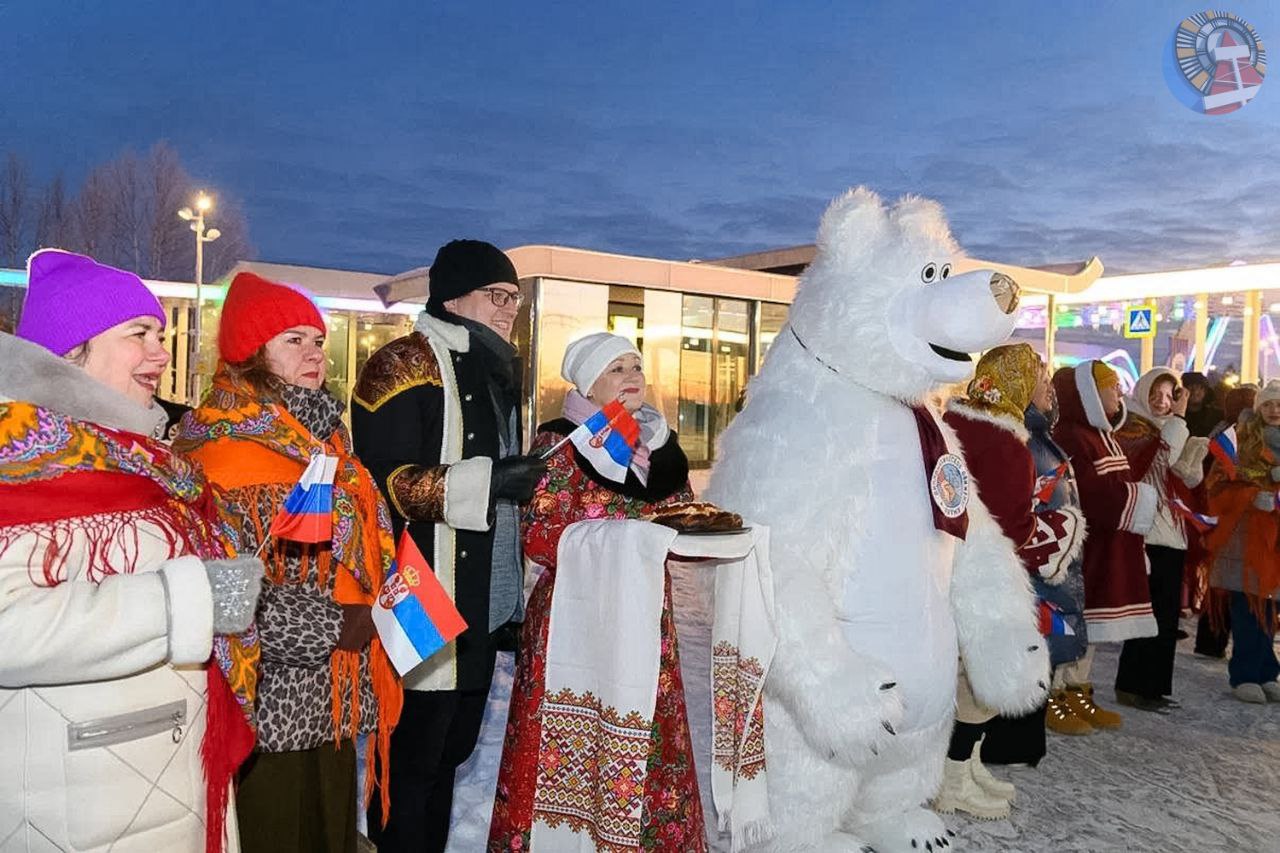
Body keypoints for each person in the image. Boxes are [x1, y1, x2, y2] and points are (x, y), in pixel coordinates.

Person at [0, 249, 262, 852]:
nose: (161, 353)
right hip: (84, 801)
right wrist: (186, 599)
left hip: (157, 776)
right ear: (72, 349)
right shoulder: (21, 458)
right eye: (138, 334)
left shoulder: (140, 458)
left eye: (161, 334)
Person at [175, 271, 401, 853]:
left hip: (334, 689)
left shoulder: (326, 439)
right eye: (292, 340)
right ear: (251, 353)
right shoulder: (218, 449)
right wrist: (333, 627)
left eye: (318, 340)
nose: (314, 353)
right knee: (274, 831)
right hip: (263, 698)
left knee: (328, 833)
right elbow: (223, 586)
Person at [351, 239, 546, 852]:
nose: (508, 307)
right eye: (496, 294)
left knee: (454, 750)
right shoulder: (402, 362)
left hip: (480, 601)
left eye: (515, 297)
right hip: (417, 592)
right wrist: (491, 482)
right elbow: (383, 485)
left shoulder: (495, 370)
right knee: (413, 755)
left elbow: (502, 510)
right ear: (453, 295)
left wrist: (509, 602)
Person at [488, 332, 703, 851]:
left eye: (636, 365)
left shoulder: (657, 445)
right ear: (588, 382)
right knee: (572, 739)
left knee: (642, 730)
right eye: (616, 369)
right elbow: (540, 535)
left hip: (646, 615)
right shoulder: (561, 443)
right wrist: (635, 533)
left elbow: (682, 517)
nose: (632, 376)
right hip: (575, 621)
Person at [936, 345, 1085, 815]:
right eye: (1040, 380)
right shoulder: (1006, 446)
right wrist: (1056, 528)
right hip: (985, 580)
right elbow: (1010, 527)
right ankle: (954, 779)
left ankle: (965, 766)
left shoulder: (957, 425)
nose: (1045, 388)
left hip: (947, 573)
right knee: (981, 685)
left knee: (963, 678)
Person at [1051, 362, 1157, 716]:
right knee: (1076, 621)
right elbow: (1090, 494)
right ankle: (1057, 696)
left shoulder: (1103, 434)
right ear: (1089, 395)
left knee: (1093, 625)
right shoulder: (1073, 435)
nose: (1119, 394)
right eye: (1112, 388)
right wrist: (1137, 498)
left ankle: (1079, 691)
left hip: (1110, 546)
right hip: (1089, 548)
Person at [1110, 369, 1208, 711]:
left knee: (1167, 618)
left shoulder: (1167, 430)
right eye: (1157, 393)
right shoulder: (1133, 426)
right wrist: (1179, 420)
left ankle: (1155, 686)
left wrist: (1194, 461)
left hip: (1172, 531)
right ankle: (1133, 684)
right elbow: (1158, 457)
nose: (1162, 402)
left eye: (1169, 396)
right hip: (1146, 532)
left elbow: (1180, 472)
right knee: (1148, 613)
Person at [1202, 380, 1280, 703]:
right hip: (1245, 539)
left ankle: (1266, 670)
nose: (1275, 410)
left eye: (1279, 405)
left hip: (1274, 543)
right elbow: (1218, 483)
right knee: (1248, 606)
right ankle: (1245, 673)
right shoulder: (1242, 438)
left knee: (1270, 606)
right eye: (1269, 404)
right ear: (1258, 407)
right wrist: (1254, 496)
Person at [1195, 384, 1258, 658]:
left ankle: (1212, 641)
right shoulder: (1231, 436)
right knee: (1227, 584)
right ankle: (1214, 641)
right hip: (1229, 515)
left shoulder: (1222, 431)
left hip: (1224, 513)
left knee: (1222, 584)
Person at [1182, 371, 1223, 438]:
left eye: (1200, 387)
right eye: (1191, 387)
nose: (1195, 392)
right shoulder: (1175, 415)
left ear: (1205, 391)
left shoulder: (1217, 416)